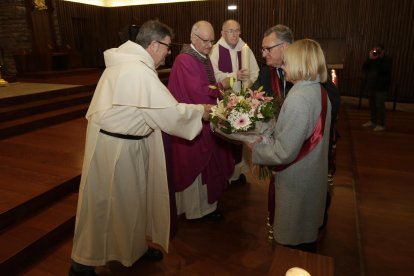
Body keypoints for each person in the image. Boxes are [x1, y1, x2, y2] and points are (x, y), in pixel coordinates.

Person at [69, 20, 211, 276]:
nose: (170, 52)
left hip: (127, 146)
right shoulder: (137, 71)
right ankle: (83, 263)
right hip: (118, 151)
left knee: (131, 204)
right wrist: (202, 111)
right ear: (154, 45)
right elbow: (170, 113)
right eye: (168, 47)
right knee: (106, 206)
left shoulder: (129, 64)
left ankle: (132, 249)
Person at [247, 39, 331, 252]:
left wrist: (255, 148)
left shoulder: (299, 97)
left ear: (300, 64)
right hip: (311, 174)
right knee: (306, 235)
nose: (283, 67)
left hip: (297, 180)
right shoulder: (318, 90)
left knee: (293, 243)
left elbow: (285, 152)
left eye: (287, 62)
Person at [167, 20, 235, 221]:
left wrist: (220, 91)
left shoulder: (202, 58)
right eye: (205, 40)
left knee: (209, 165)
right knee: (196, 165)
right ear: (193, 38)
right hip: (193, 124)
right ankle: (196, 210)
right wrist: (222, 87)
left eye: (212, 41)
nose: (209, 45)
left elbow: (208, 87)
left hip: (204, 119)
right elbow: (197, 93)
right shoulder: (185, 60)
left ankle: (205, 207)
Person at [209, 19, 260, 185]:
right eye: (231, 31)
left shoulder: (244, 48)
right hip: (223, 99)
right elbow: (212, 75)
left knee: (240, 137)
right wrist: (234, 76)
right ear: (222, 33)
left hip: (241, 99)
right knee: (225, 138)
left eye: (237, 30)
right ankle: (225, 173)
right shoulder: (215, 49)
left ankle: (236, 174)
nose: (235, 34)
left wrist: (246, 85)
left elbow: (255, 71)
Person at [251, 24, 294, 98]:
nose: (263, 55)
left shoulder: (302, 72)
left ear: (284, 47)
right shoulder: (265, 72)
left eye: (268, 49)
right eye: (263, 50)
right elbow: (252, 95)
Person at [362, 44, 392, 131]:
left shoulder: (387, 59)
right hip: (372, 86)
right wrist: (369, 58)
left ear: (383, 51)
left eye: (378, 50)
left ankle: (381, 124)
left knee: (379, 105)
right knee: (372, 105)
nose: (376, 52)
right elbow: (364, 67)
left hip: (382, 87)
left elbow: (384, 70)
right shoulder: (373, 59)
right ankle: (373, 121)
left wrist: (378, 59)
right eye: (375, 50)